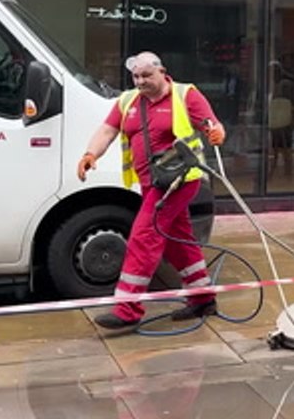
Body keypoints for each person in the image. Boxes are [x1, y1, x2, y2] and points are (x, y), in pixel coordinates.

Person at [76, 51, 226, 332]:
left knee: (144, 236)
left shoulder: (185, 95)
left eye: (146, 75)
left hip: (180, 181)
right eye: (136, 77)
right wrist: (90, 154)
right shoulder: (128, 101)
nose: (140, 81)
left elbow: (212, 125)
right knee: (178, 241)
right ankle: (202, 298)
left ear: (162, 72)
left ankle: (127, 309)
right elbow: (107, 130)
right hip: (151, 183)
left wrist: (216, 133)